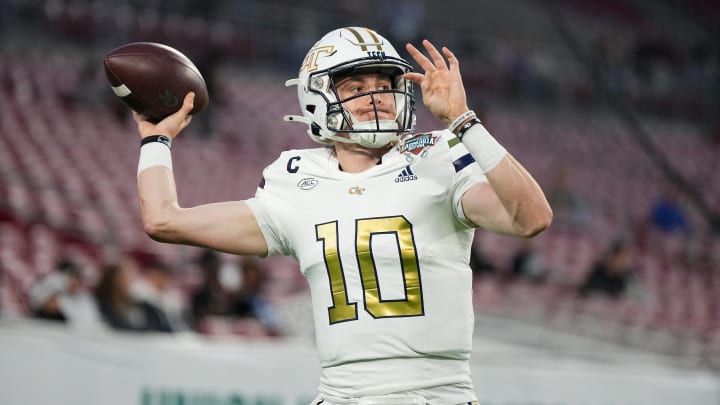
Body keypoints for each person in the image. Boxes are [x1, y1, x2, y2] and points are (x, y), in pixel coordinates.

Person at [131, 27, 552, 404]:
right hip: (339, 395)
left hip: (436, 393)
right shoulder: (296, 181)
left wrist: (463, 122)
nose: (377, 97)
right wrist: (155, 141)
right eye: (355, 86)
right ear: (317, 98)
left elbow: (530, 218)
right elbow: (164, 220)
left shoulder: (437, 155)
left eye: (384, 84)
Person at [94, 256, 173, 333]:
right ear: (113, 278)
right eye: (124, 275)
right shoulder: (101, 303)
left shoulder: (140, 304)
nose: (130, 279)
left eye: (131, 274)